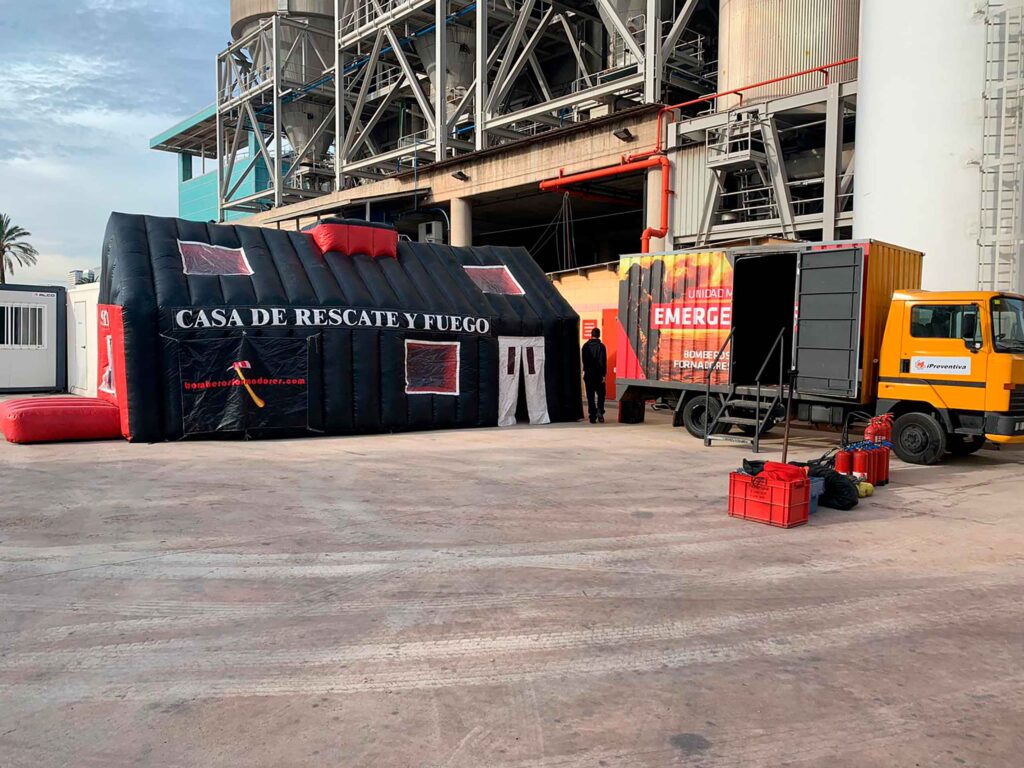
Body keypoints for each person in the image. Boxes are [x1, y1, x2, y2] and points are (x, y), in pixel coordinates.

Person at [581, 327, 607, 423]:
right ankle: (600, 411)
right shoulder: (602, 347)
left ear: (591, 335)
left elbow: (584, 360)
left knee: (590, 396)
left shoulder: (585, 346)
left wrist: (585, 371)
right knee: (601, 395)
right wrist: (603, 375)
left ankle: (592, 416)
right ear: (599, 335)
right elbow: (603, 361)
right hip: (599, 375)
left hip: (588, 374)